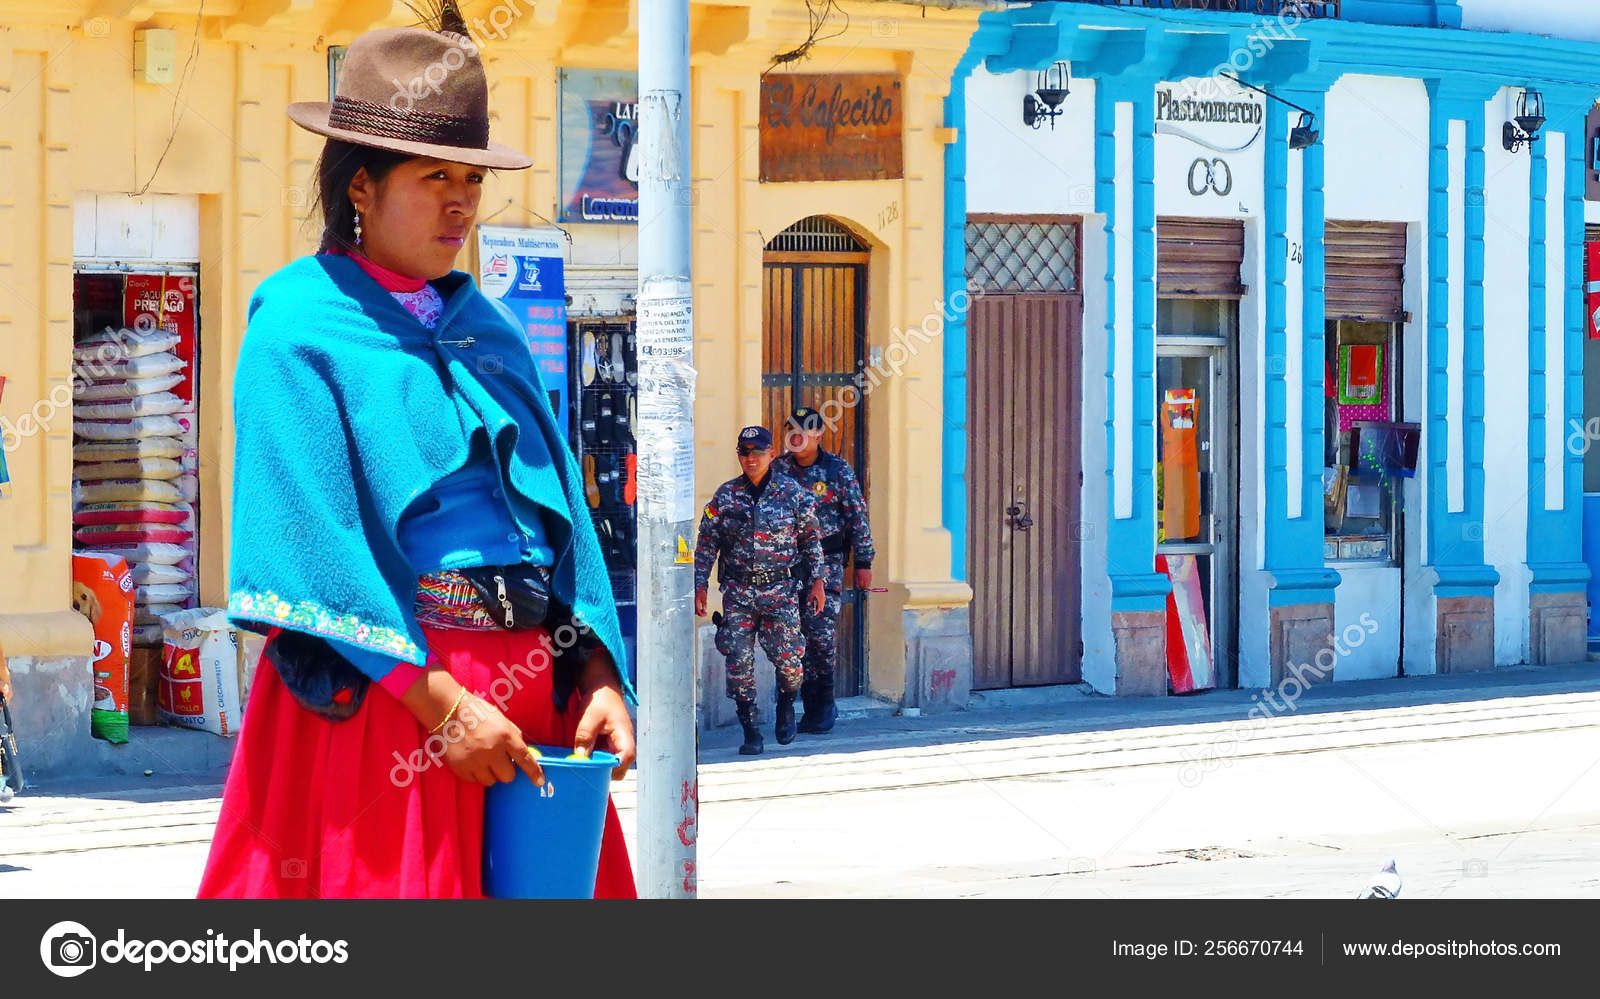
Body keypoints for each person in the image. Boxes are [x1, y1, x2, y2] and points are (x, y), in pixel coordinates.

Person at [198, 10, 636, 898]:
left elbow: (561, 527)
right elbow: (306, 547)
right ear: (360, 186)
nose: (462, 202)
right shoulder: (294, 330)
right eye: (435, 176)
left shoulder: (491, 332)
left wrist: (593, 670)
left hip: (525, 701)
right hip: (392, 707)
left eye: (471, 177)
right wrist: (445, 710)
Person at [694, 426, 825, 755]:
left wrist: (818, 582)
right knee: (738, 662)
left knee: (791, 663)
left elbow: (811, 540)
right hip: (738, 592)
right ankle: (750, 728)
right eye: (744, 452)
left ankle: (785, 704)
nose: (750, 458)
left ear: (770, 454)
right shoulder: (725, 496)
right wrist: (699, 583)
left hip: (780, 591)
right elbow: (707, 542)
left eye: (757, 452)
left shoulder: (792, 494)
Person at [774, 407, 875, 734]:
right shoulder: (778, 469)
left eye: (804, 431)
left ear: (818, 436)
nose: (797, 437)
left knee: (819, 634)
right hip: (788, 566)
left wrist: (863, 562)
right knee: (790, 636)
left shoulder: (837, 471)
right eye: (791, 430)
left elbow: (857, 517)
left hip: (827, 566)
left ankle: (823, 704)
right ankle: (797, 706)